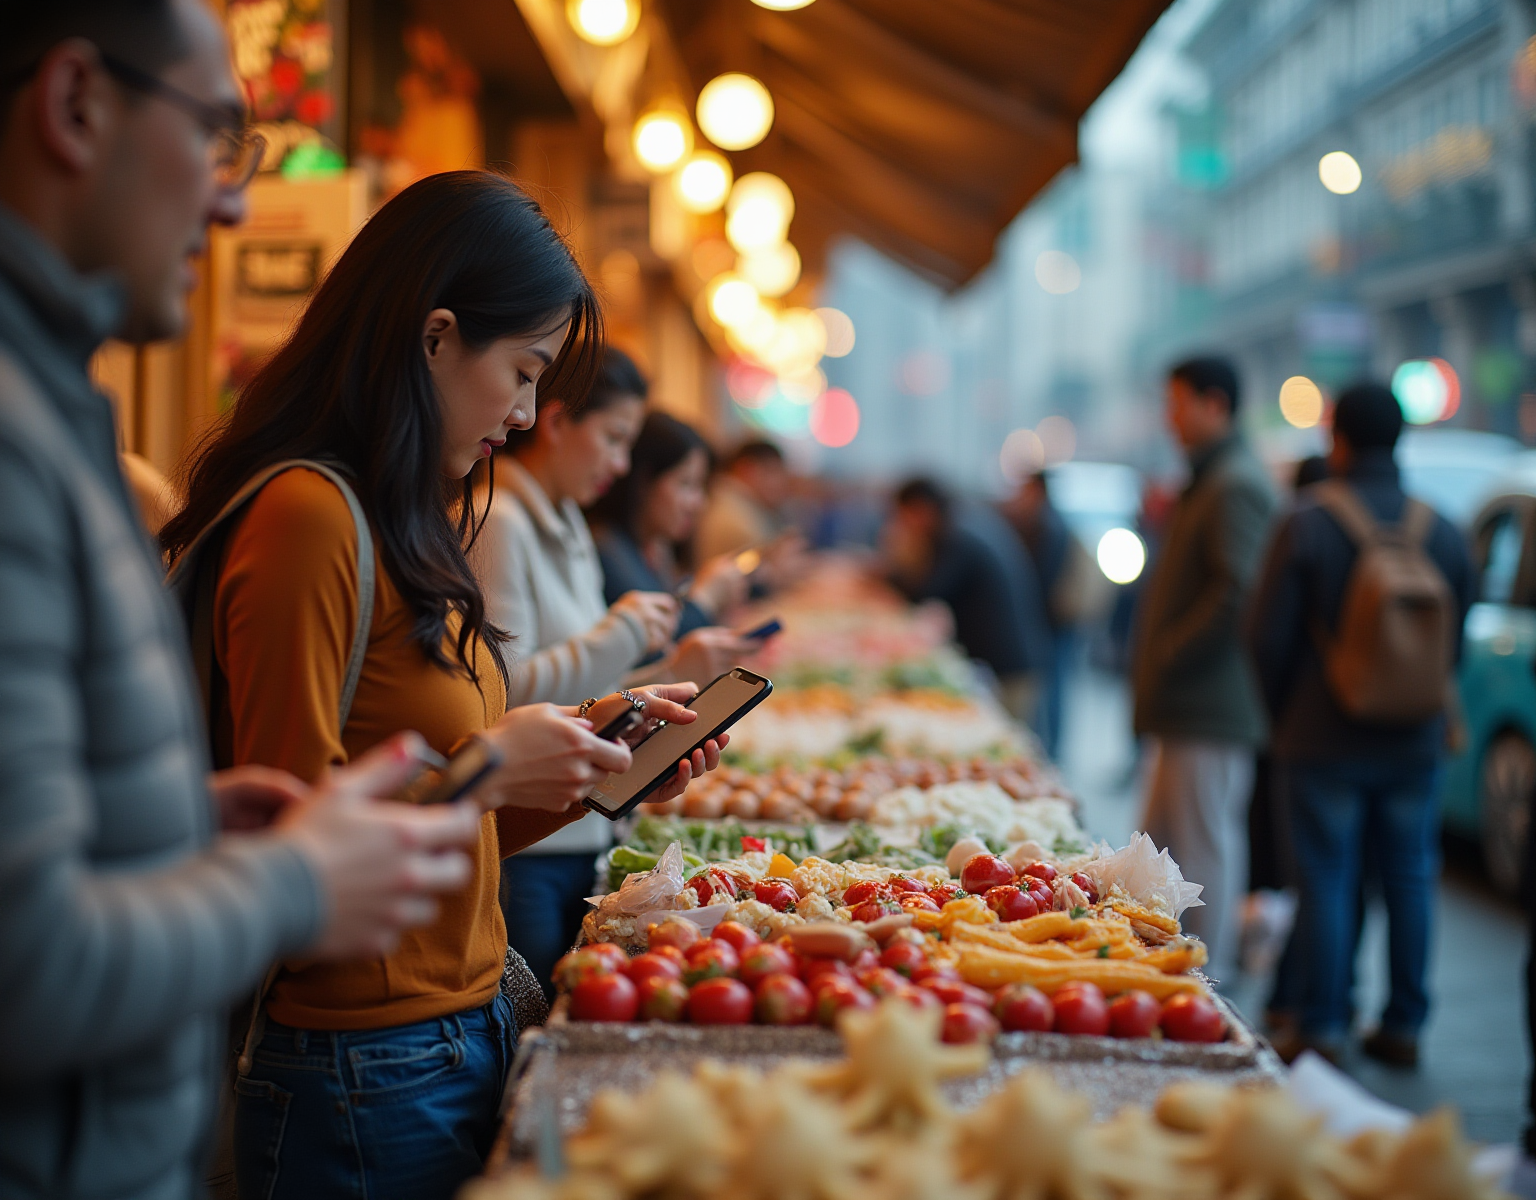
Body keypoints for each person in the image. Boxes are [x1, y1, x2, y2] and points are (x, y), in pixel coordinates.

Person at [162, 171, 728, 1200]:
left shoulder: (406, 516)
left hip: (451, 1034)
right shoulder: (308, 516)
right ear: (434, 338)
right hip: (360, 1063)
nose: (525, 413)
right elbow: (297, 848)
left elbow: (450, 846)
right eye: (522, 373)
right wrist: (490, 764)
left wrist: (594, 766)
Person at [0, 4, 487, 1197]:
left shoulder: (51, 405)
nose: (232, 204)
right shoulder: (24, 441)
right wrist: (295, 885)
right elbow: (26, 960)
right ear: (76, 105)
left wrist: (172, 825)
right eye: (218, 136)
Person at [475, 348, 742, 993]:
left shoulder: (563, 518)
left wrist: (663, 681)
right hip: (530, 841)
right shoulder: (500, 520)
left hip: (577, 820)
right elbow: (501, 693)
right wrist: (621, 632)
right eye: (614, 438)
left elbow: (586, 683)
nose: (621, 465)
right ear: (556, 423)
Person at [1247, 381, 1472, 1066]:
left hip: (1320, 737)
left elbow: (1265, 637)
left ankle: (1322, 1024)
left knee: (1325, 876)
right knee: (1409, 875)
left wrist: (1287, 715)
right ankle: (1404, 1024)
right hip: (1415, 738)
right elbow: (1454, 641)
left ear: (1336, 438)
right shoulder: (1444, 528)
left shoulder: (1307, 521)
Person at [1130, 356, 1276, 984]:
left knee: (1203, 847)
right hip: (1188, 703)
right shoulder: (1213, 477)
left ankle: (1208, 978)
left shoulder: (1235, 483)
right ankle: (1173, 964)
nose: (1170, 417)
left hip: (1210, 703)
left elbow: (1239, 591)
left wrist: (1172, 649)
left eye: (1178, 403)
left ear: (1215, 404)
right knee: (1167, 846)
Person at [885, 477, 1053, 723]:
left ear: (922, 508)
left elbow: (927, 593)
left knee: (1010, 734)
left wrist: (893, 562)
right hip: (1006, 657)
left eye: (904, 515)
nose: (903, 524)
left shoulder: (958, 539)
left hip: (1009, 664)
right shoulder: (967, 525)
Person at [589, 410, 753, 641]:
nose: (699, 503)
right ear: (643, 481)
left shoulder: (656, 547)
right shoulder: (606, 549)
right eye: (686, 484)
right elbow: (655, 644)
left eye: (701, 487)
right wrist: (706, 597)